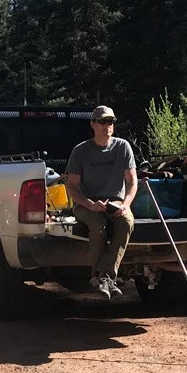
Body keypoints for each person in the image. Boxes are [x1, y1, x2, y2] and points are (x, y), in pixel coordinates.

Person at [65, 105, 138, 298]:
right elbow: (71, 186)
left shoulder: (123, 147)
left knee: (127, 222)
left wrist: (126, 204)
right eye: (103, 121)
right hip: (86, 204)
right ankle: (100, 278)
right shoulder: (80, 151)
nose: (107, 125)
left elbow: (132, 182)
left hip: (116, 203)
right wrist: (89, 204)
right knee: (98, 225)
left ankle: (103, 277)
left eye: (111, 122)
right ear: (93, 124)